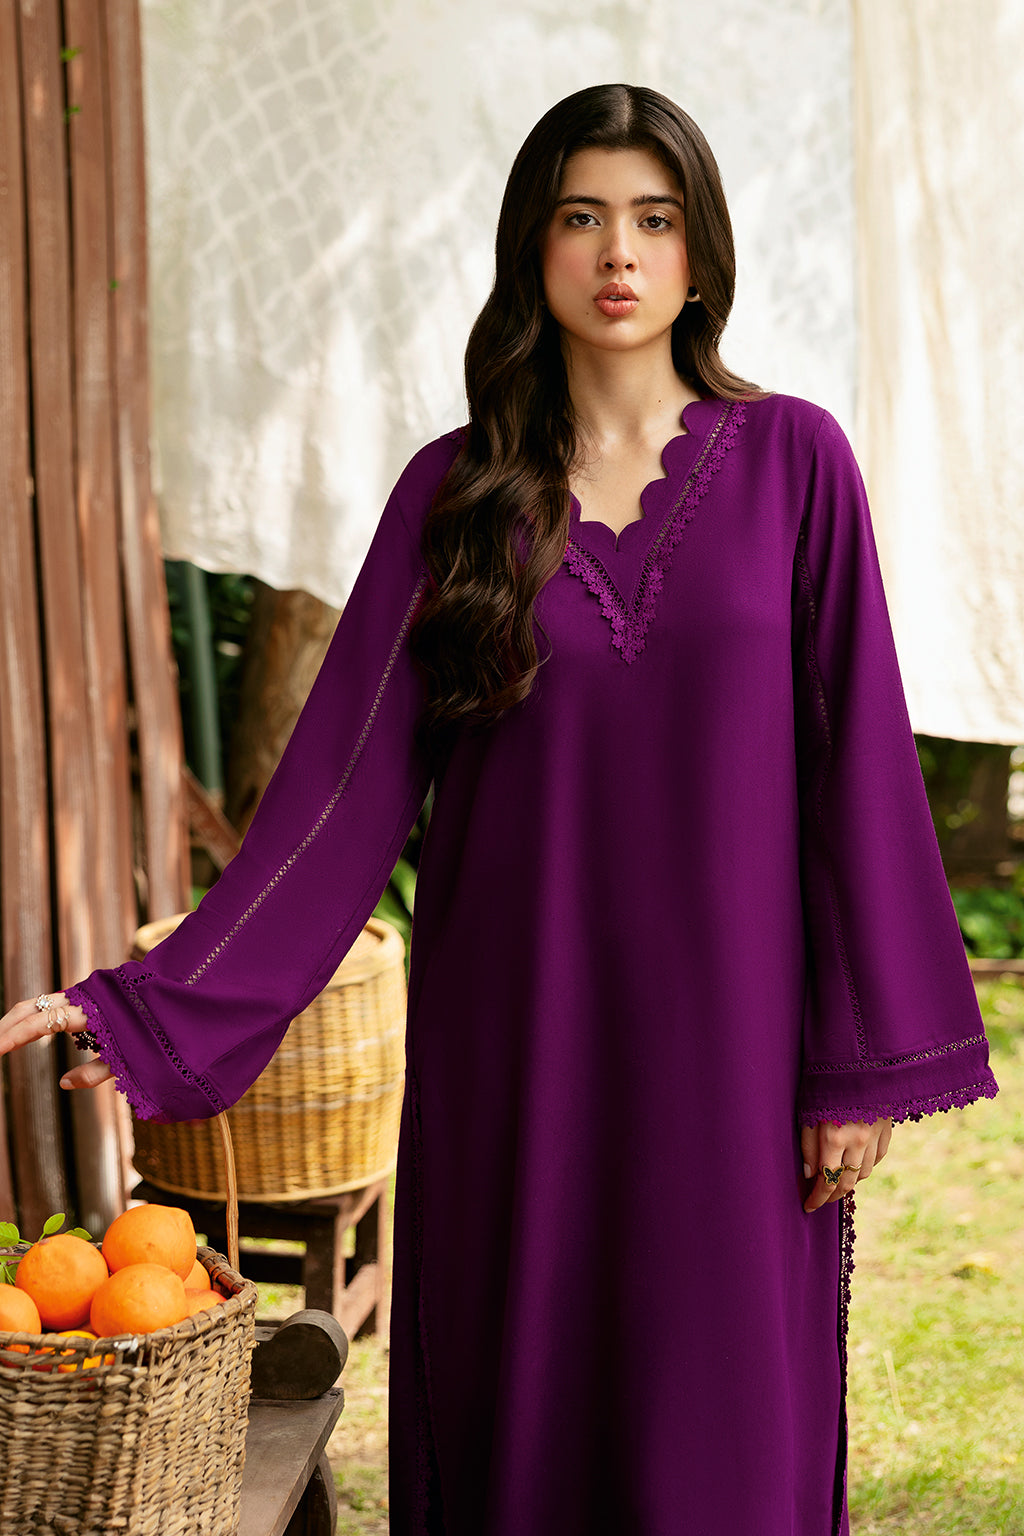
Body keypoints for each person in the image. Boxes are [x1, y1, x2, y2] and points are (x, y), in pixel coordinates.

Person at [0, 83, 997, 1535]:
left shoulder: (797, 466)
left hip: (734, 1051)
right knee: (522, 1407)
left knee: (724, 1423)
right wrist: (156, 1009)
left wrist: (855, 1066)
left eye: (654, 219)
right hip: (518, 1044)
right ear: (534, 248)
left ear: (702, 253)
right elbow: (339, 793)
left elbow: (863, 776)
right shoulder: (456, 496)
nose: (619, 252)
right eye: (582, 217)